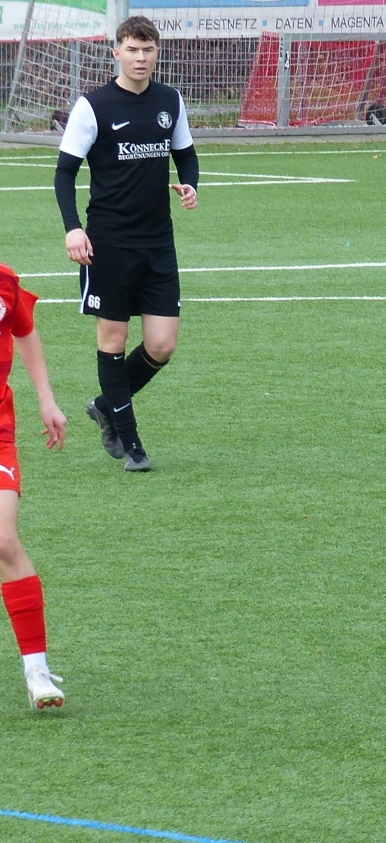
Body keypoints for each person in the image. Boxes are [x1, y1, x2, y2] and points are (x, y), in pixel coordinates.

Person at [54, 15, 198, 474]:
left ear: (157, 53)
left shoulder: (170, 101)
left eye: (147, 49)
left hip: (158, 242)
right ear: (116, 52)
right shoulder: (93, 106)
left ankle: (105, 405)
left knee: (162, 344)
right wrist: (73, 228)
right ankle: (132, 444)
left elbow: (186, 154)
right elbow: (64, 173)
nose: (140, 58)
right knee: (113, 340)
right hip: (109, 243)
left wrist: (190, 184)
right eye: (132, 49)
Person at [0, 262, 70, 708]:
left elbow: (24, 331)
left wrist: (47, 399)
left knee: (4, 541)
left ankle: (37, 671)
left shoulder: (3, 281)